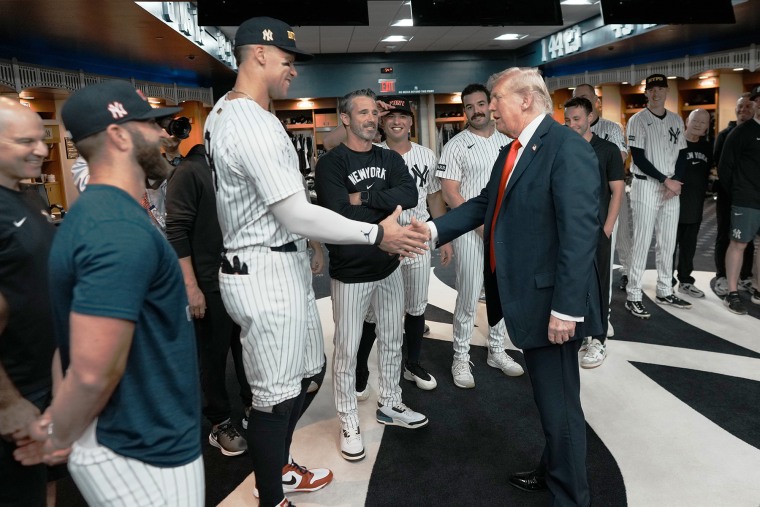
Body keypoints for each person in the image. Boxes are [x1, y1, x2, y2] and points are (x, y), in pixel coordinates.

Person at [203, 17, 428, 507]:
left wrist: (351, 218)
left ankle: (278, 466)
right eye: (286, 60)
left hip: (279, 262)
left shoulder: (226, 112)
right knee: (273, 395)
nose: (292, 72)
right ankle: (271, 494)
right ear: (258, 54)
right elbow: (298, 211)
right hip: (262, 269)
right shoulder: (247, 120)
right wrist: (376, 231)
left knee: (308, 372)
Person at [413, 67, 602, 507]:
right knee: (550, 401)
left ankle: (571, 497)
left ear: (525, 100)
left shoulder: (566, 148)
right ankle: (551, 469)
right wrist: (430, 232)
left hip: (553, 304)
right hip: (530, 298)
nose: (490, 107)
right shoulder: (514, 148)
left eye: (496, 98)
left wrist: (567, 310)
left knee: (561, 410)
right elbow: (483, 203)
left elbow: (580, 235)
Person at [15, 81, 205, 505]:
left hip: (136, 437)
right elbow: (90, 371)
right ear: (119, 135)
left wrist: (59, 425)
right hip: (141, 451)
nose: (162, 135)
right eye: (149, 125)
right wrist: (58, 434)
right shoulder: (114, 229)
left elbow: (67, 345)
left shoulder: (103, 213)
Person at [315, 89, 429, 462]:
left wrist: (361, 199)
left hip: (389, 266)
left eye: (372, 113)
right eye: (362, 112)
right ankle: (348, 419)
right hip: (351, 271)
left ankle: (391, 402)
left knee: (392, 340)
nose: (370, 118)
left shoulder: (388, 157)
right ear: (345, 119)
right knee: (348, 351)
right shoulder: (331, 163)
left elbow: (408, 196)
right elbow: (336, 214)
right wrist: (384, 219)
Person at [353, 95, 453, 395]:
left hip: (418, 239)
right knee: (372, 311)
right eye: (391, 116)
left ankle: (412, 363)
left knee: (416, 307)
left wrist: (443, 237)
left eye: (402, 116)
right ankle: (360, 368)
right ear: (382, 121)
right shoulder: (371, 152)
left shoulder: (426, 155)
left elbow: (435, 198)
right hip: (382, 242)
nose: (397, 121)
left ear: (411, 121)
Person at [165, 144, 251, 458]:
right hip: (207, 282)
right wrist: (191, 286)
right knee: (213, 358)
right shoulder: (189, 171)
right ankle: (219, 423)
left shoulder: (232, 169)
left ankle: (251, 404)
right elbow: (176, 230)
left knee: (246, 349)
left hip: (240, 278)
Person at [437, 83, 524, 389]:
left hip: (504, 230)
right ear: (465, 111)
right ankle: (460, 356)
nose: (476, 111)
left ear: (491, 105)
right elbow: (450, 192)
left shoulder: (510, 142)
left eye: (480, 104)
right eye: (469, 107)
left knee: (500, 293)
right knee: (469, 295)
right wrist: (479, 225)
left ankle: (497, 350)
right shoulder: (456, 145)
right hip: (469, 231)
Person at [0, 97, 58, 507]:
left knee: (41, 486)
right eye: (26, 141)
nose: (41, 149)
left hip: (41, 382)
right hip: (12, 390)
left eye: (42, 140)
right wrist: (8, 401)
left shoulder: (28, 196)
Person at [564, 96, 624, 369]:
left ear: (590, 117)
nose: (572, 124)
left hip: (598, 228)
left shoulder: (608, 149)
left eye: (577, 119)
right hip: (569, 229)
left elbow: (617, 191)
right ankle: (579, 333)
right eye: (568, 120)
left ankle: (597, 339)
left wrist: (608, 227)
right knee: (573, 280)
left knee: (599, 284)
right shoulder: (563, 147)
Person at [625, 73, 691, 319]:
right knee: (642, 240)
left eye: (660, 89)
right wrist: (666, 181)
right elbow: (639, 158)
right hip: (646, 186)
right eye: (651, 89)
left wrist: (675, 182)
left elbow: (683, 153)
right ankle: (633, 294)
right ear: (646, 93)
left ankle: (665, 289)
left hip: (671, 187)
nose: (656, 93)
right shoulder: (637, 120)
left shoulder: (675, 118)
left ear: (666, 92)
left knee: (668, 241)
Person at [573, 84, 631, 322]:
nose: (583, 101)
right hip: (579, 207)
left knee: (605, 261)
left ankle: (602, 317)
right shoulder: (569, 131)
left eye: (587, 98)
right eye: (578, 98)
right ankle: (582, 312)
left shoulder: (611, 129)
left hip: (606, 201)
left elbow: (617, 160)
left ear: (596, 102)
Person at [718, 84, 760, 315]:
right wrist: (739, 193)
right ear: (755, 104)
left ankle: (757, 287)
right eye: (758, 100)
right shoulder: (741, 132)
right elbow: (725, 168)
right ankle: (731, 293)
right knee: (739, 245)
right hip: (746, 200)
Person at [672, 109, 713, 298]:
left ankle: (686, 281)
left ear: (707, 127)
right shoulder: (675, 143)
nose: (698, 125)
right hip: (672, 205)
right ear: (687, 121)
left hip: (695, 206)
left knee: (689, 247)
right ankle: (666, 281)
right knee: (668, 247)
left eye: (703, 122)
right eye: (695, 120)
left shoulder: (707, 148)